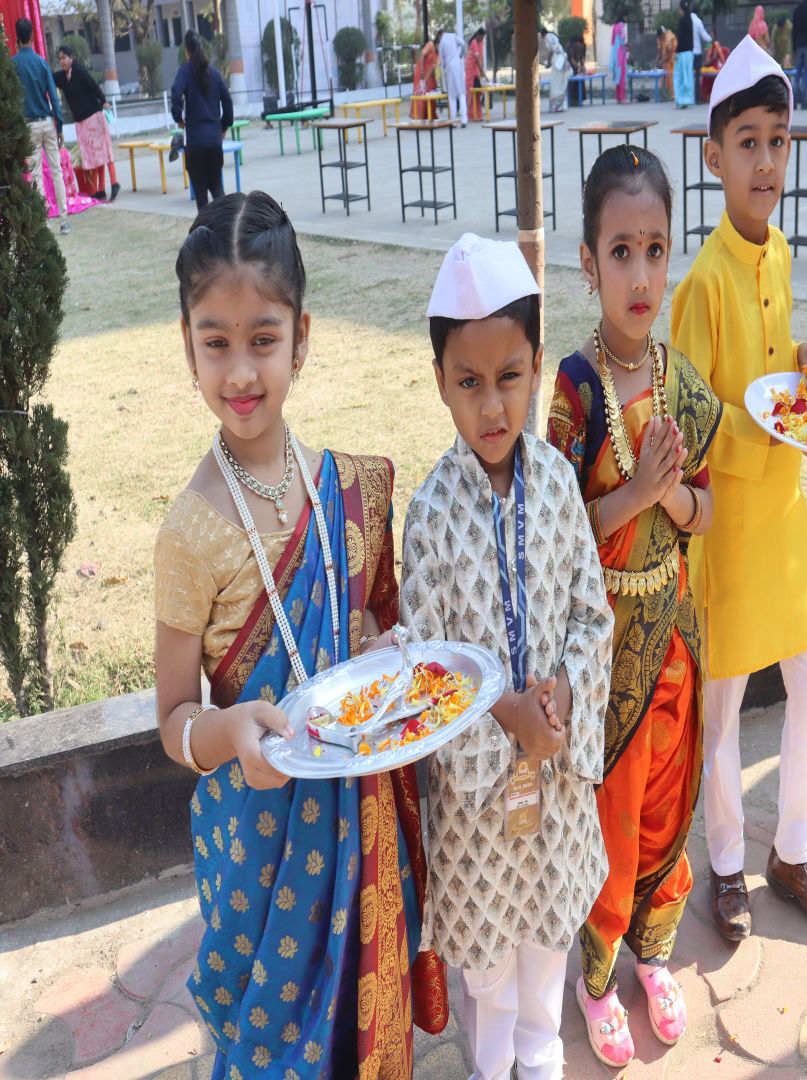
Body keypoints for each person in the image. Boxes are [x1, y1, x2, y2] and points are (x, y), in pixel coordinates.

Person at [153, 190, 447, 1078]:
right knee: (274, 1045)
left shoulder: (341, 487)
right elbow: (173, 721)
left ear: (302, 338)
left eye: (264, 339)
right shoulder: (190, 531)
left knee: (359, 1017)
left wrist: (380, 647)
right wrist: (228, 735)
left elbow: (357, 631)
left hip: (357, 827)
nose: (241, 371)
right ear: (188, 345)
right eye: (217, 342)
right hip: (259, 850)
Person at [402, 233, 613, 1080]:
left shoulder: (558, 483)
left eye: (510, 377)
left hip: (556, 784)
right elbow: (428, 664)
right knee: (488, 976)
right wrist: (506, 718)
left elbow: (591, 615)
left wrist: (562, 701)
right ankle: (493, 1067)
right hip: (479, 808)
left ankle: (542, 1058)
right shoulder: (428, 513)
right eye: (469, 383)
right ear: (440, 381)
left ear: (535, 367)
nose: (492, 406)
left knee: (547, 955)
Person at [670, 36, 807, 941]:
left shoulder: (777, 252)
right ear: (715, 158)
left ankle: (790, 849)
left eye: (778, 142)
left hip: (785, 518)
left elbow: (772, 373)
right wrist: (766, 433)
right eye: (748, 143)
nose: (766, 162)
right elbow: (692, 416)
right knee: (722, 710)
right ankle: (725, 864)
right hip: (729, 528)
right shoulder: (702, 282)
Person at [547, 146, 721, 1067]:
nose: (642, 275)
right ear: (589, 262)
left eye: (656, 250)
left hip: (676, 636)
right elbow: (556, 532)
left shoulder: (680, 382)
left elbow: (706, 507)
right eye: (622, 252)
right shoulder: (574, 392)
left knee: (667, 802)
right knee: (610, 818)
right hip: (605, 646)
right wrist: (636, 495)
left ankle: (655, 950)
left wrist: (674, 495)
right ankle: (596, 975)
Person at [12, 18, 69, 235]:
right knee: (56, 171)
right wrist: (59, 126)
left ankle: (43, 223)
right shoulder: (41, 62)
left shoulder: (13, 64)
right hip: (47, 123)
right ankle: (64, 220)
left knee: (36, 175)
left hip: (29, 126)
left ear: (17, 38)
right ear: (33, 36)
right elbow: (54, 97)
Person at [171, 29, 232, 211]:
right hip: (214, 141)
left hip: (195, 143)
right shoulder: (214, 73)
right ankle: (226, 224)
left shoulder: (184, 71)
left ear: (187, 51)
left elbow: (175, 94)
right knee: (217, 187)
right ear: (202, 48)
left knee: (201, 195)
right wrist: (224, 125)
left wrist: (178, 118)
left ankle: (204, 229)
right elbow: (227, 100)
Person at [54, 43, 119, 201]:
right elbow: (50, 77)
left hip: (94, 117)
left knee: (104, 151)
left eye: (64, 58)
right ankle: (101, 189)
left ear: (71, 58)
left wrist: (103, 100)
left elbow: (93, 85)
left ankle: (114, 182)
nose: (62, 61)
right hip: (81, 123)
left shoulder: (79, 71)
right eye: (60, 59)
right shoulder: (63, 77)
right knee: (95, 156)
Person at [438, 26, 467, 125]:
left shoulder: (441, 43)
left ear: (439, 35)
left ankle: (454, 121)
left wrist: (444, 67)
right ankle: (464, 119)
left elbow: (442, 62)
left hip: (449, 67)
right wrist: (460, 55)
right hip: (458, 65)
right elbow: (463, 44)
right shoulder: (453, 36)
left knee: (452, 95)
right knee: (461, 93)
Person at [792, 0, 807, 109]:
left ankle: (793, 101)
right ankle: (803, 101)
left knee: (797, 74)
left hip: (799, 45)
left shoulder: (796, 10)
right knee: (806, 73)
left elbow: (794, 30)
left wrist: (794, 48)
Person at [409, 36, 438, 119]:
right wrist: (421, 70)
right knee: (421, 93)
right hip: (422, 73)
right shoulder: (430, 45)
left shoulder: (440, 52)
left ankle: (430, 116)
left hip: (431, 76)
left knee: (431, 92)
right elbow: (422, 55)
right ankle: (419, 116)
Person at [674, 0, 696, 107]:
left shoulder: (682, 20)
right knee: (688, 77)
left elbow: (681, 37)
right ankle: (687, 101)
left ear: (681, 9)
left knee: (680, 77)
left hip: (682, 53)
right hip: (689, 53)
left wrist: (676, 51)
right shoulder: (690, 20)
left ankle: (680, 101)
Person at [544, 29, 570, 111]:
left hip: (557, 63)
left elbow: (549, 51)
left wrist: (548, 63)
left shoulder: (547, 38)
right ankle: (562, 105)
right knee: (563, 83)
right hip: (563, 60)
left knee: (555, 84)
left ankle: (556, 106)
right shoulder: (554, 37)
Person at [691, 5, 712, 103]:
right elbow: (705, 37)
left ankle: (689, 97)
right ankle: (697, 98)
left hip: (688, 52)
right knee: (697, 75)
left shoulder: (687, 20)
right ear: (698, 12)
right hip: (697, 52)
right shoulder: (697, 21)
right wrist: (710, 39)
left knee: (689, 75)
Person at [466, 28, 486, 121]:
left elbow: (481, 57)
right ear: (478, 35)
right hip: (470, 68)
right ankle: (471, 114)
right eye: (482, 37)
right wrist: (482, 70)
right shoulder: (474, 42)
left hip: (477, 68)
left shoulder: (481, 43)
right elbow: (477, 57)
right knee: (471, 91)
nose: (482, 39)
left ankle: (478, 114)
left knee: (477, 92)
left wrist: (481, 70)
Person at [611, 12, 629, 104]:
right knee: (622, 76)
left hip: (615, 53)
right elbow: (622, 40)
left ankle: (618, 97)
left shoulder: (615, 26)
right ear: (624, 17)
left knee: (617, 76)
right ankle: (623, 97)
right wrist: (627, 45)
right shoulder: (621, 26)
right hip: (620, 54)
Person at [655, 25, 677, 99]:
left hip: (673, 61)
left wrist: (661, 61)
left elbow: (670, 54)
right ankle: (666, 96)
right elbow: (659, 51)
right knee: (664, 79)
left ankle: (673, 96)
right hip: (666, 62)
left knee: (671, 78)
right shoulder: (659, 38)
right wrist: (657, 60)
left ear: (663, 34)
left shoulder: (670, 38)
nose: (659, 39)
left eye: (660, 37)